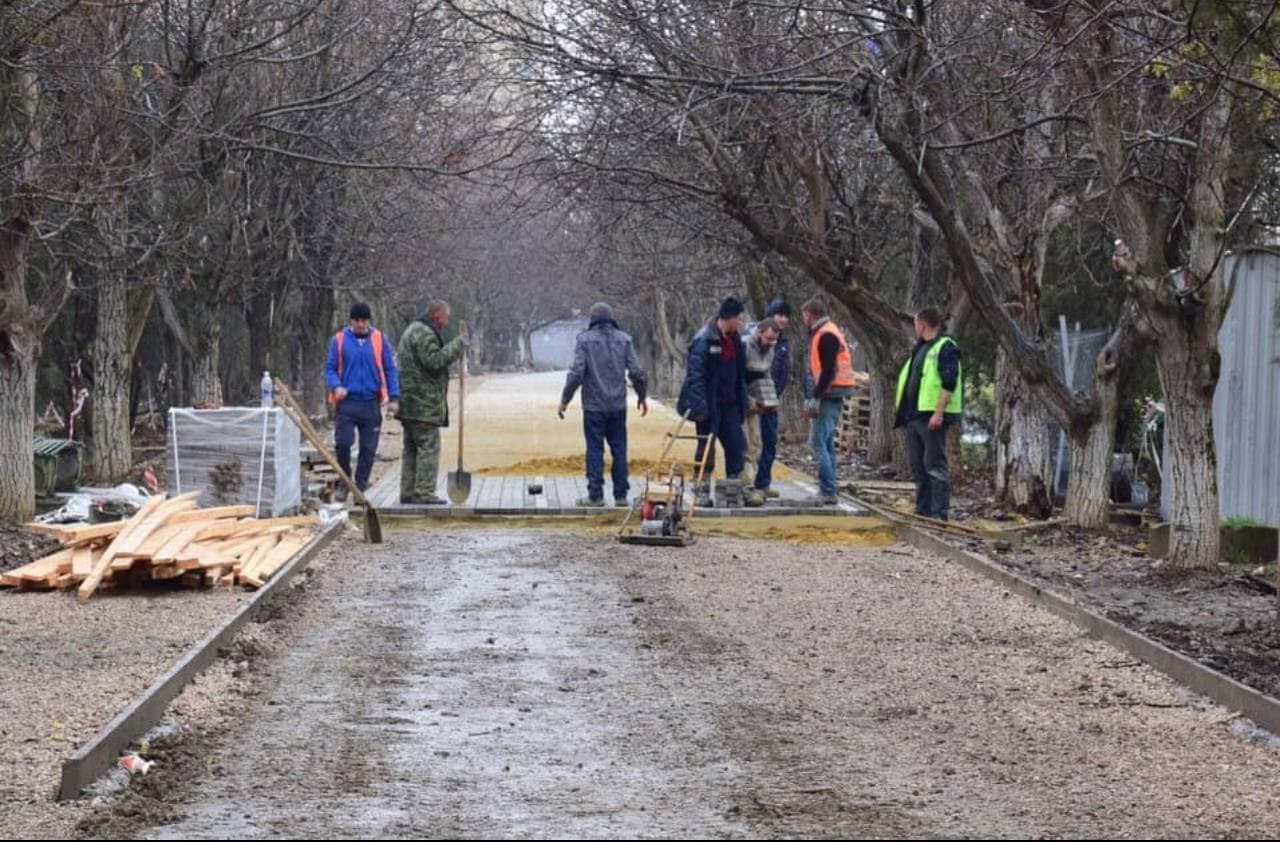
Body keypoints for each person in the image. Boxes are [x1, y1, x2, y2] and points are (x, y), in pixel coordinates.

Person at [558, 302, 649, 507]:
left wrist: (565, 399)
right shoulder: (625, 340)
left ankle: (595, 495)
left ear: (592, 319)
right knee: (619, 448)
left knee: (594, 449)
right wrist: (642, 396)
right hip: (618, 405)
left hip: (593, 405)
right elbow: (637, 372)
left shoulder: (584, 341)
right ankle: (621, 495)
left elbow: (576, 373)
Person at [677, 296, 748, 507]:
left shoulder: (736, 340)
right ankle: (701, 486)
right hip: (709, 404)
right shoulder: (704, 339)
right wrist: (699, 407)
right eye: (739, 318)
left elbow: (740, 373)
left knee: (737, 444)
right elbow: (695, 376)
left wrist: (743, 401)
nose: (741, 322)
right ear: (729, 317)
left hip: (731, 402)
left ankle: (734, 488)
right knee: (706, 446)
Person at [324, 303, 400, 500]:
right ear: (351, 321)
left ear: (368, 321)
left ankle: (360, 486)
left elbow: (390, 369)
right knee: (343, 444)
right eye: (356, 320)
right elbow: (330, 368)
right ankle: (344, 482)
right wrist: (336, 386)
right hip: (347, 403)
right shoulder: (339, 340)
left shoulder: (380, 339)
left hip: (370, 402)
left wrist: (394, 396)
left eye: (363, 320)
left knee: (368, 449)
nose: (360, 324)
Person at [894, 307, 962, 520]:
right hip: (914, 415)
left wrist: (939, 413)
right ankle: (922, 510)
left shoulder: (945, 346)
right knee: (919, 466)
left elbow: (949, 382)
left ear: (922, 324)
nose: (915, 328)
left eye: (915, 324)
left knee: (934, 465)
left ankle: (939, 513)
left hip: (930, 416)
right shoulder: (921, 348)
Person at [396, 300, 466, 504]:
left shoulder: (412, 329)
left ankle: (408, 491)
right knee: (428, 447)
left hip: (408, 403)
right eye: (446, 317)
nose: (447, 322)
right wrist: (458, 344)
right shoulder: (424, 334)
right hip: (422, 403)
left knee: (411, 448)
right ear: (437, 315)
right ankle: (424, 492)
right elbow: (434, 361)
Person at [800, 298, 859, 505]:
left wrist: (816, 396)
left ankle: (827, 490)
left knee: (817, 441)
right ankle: (830, 485)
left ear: (810, 314)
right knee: (826, 442)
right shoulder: (829, 330)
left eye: (804, 315)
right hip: (835, 391)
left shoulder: (825, 334)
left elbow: (827, 370)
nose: (803, 320)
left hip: (830, 392)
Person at [743, 317, 781, 507]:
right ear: (759, 332)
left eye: (774, 340)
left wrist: (770, 400)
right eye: (768, 339)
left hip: (756, 405)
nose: (771, 343)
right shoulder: (744, 347)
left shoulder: (770, 350)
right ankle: (747, 488)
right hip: (740, 403)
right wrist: (749, 402)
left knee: (757, 444)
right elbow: (735, 380)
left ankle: (756, 484)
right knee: (746, 445)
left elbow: (765, 376)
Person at [758, 298, 792, 499]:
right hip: (756, 401)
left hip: (772, 401)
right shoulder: (758, 337)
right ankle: (749, 484)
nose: (783, 319)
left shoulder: (784, 342)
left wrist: (776, 394)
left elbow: (783, 373)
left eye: (786, 316)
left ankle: (763, 483)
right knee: (754, 444)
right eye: (779, 314)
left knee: (770, 443)